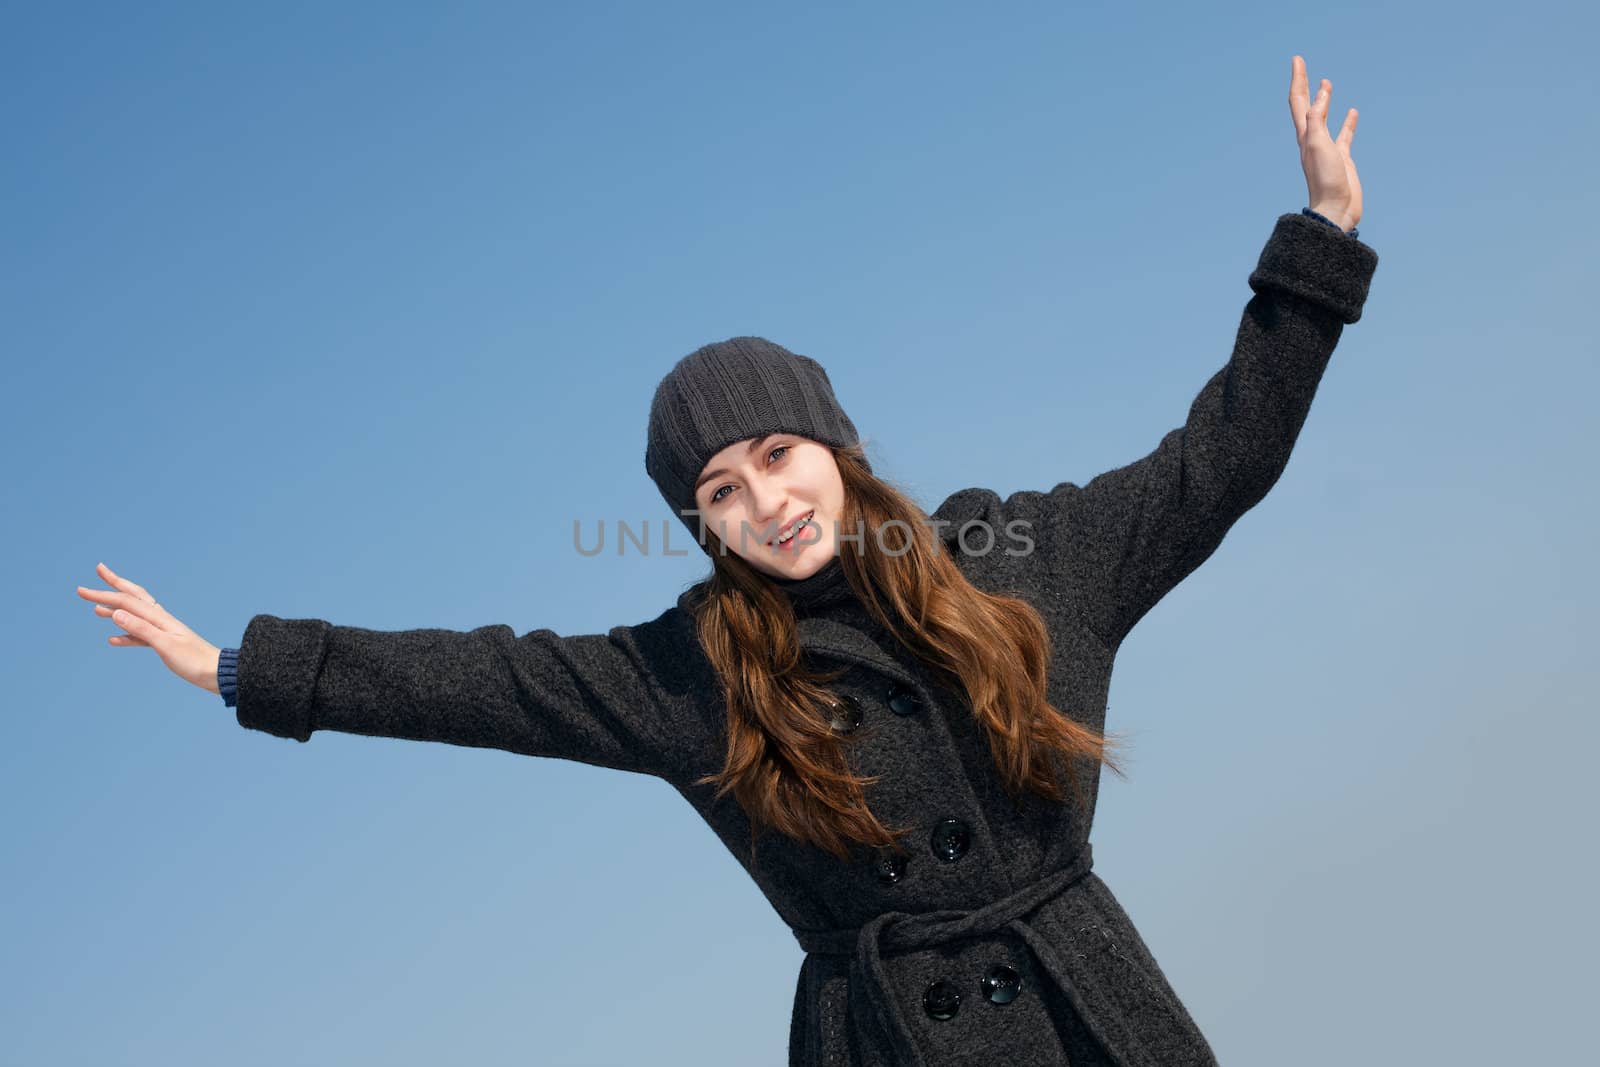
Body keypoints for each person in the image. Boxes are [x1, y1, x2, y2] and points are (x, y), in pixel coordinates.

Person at [76, 55, 1377, 1067]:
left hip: (1095, 1015)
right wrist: (244, 667)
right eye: (720, 487)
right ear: (702, 523)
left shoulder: (1024, 562)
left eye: (777, 452)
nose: (765, 498)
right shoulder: (698, 675)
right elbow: (480, 683)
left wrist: (1320, 243)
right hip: (886, 1041)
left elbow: (1220, 460)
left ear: (840, 449)